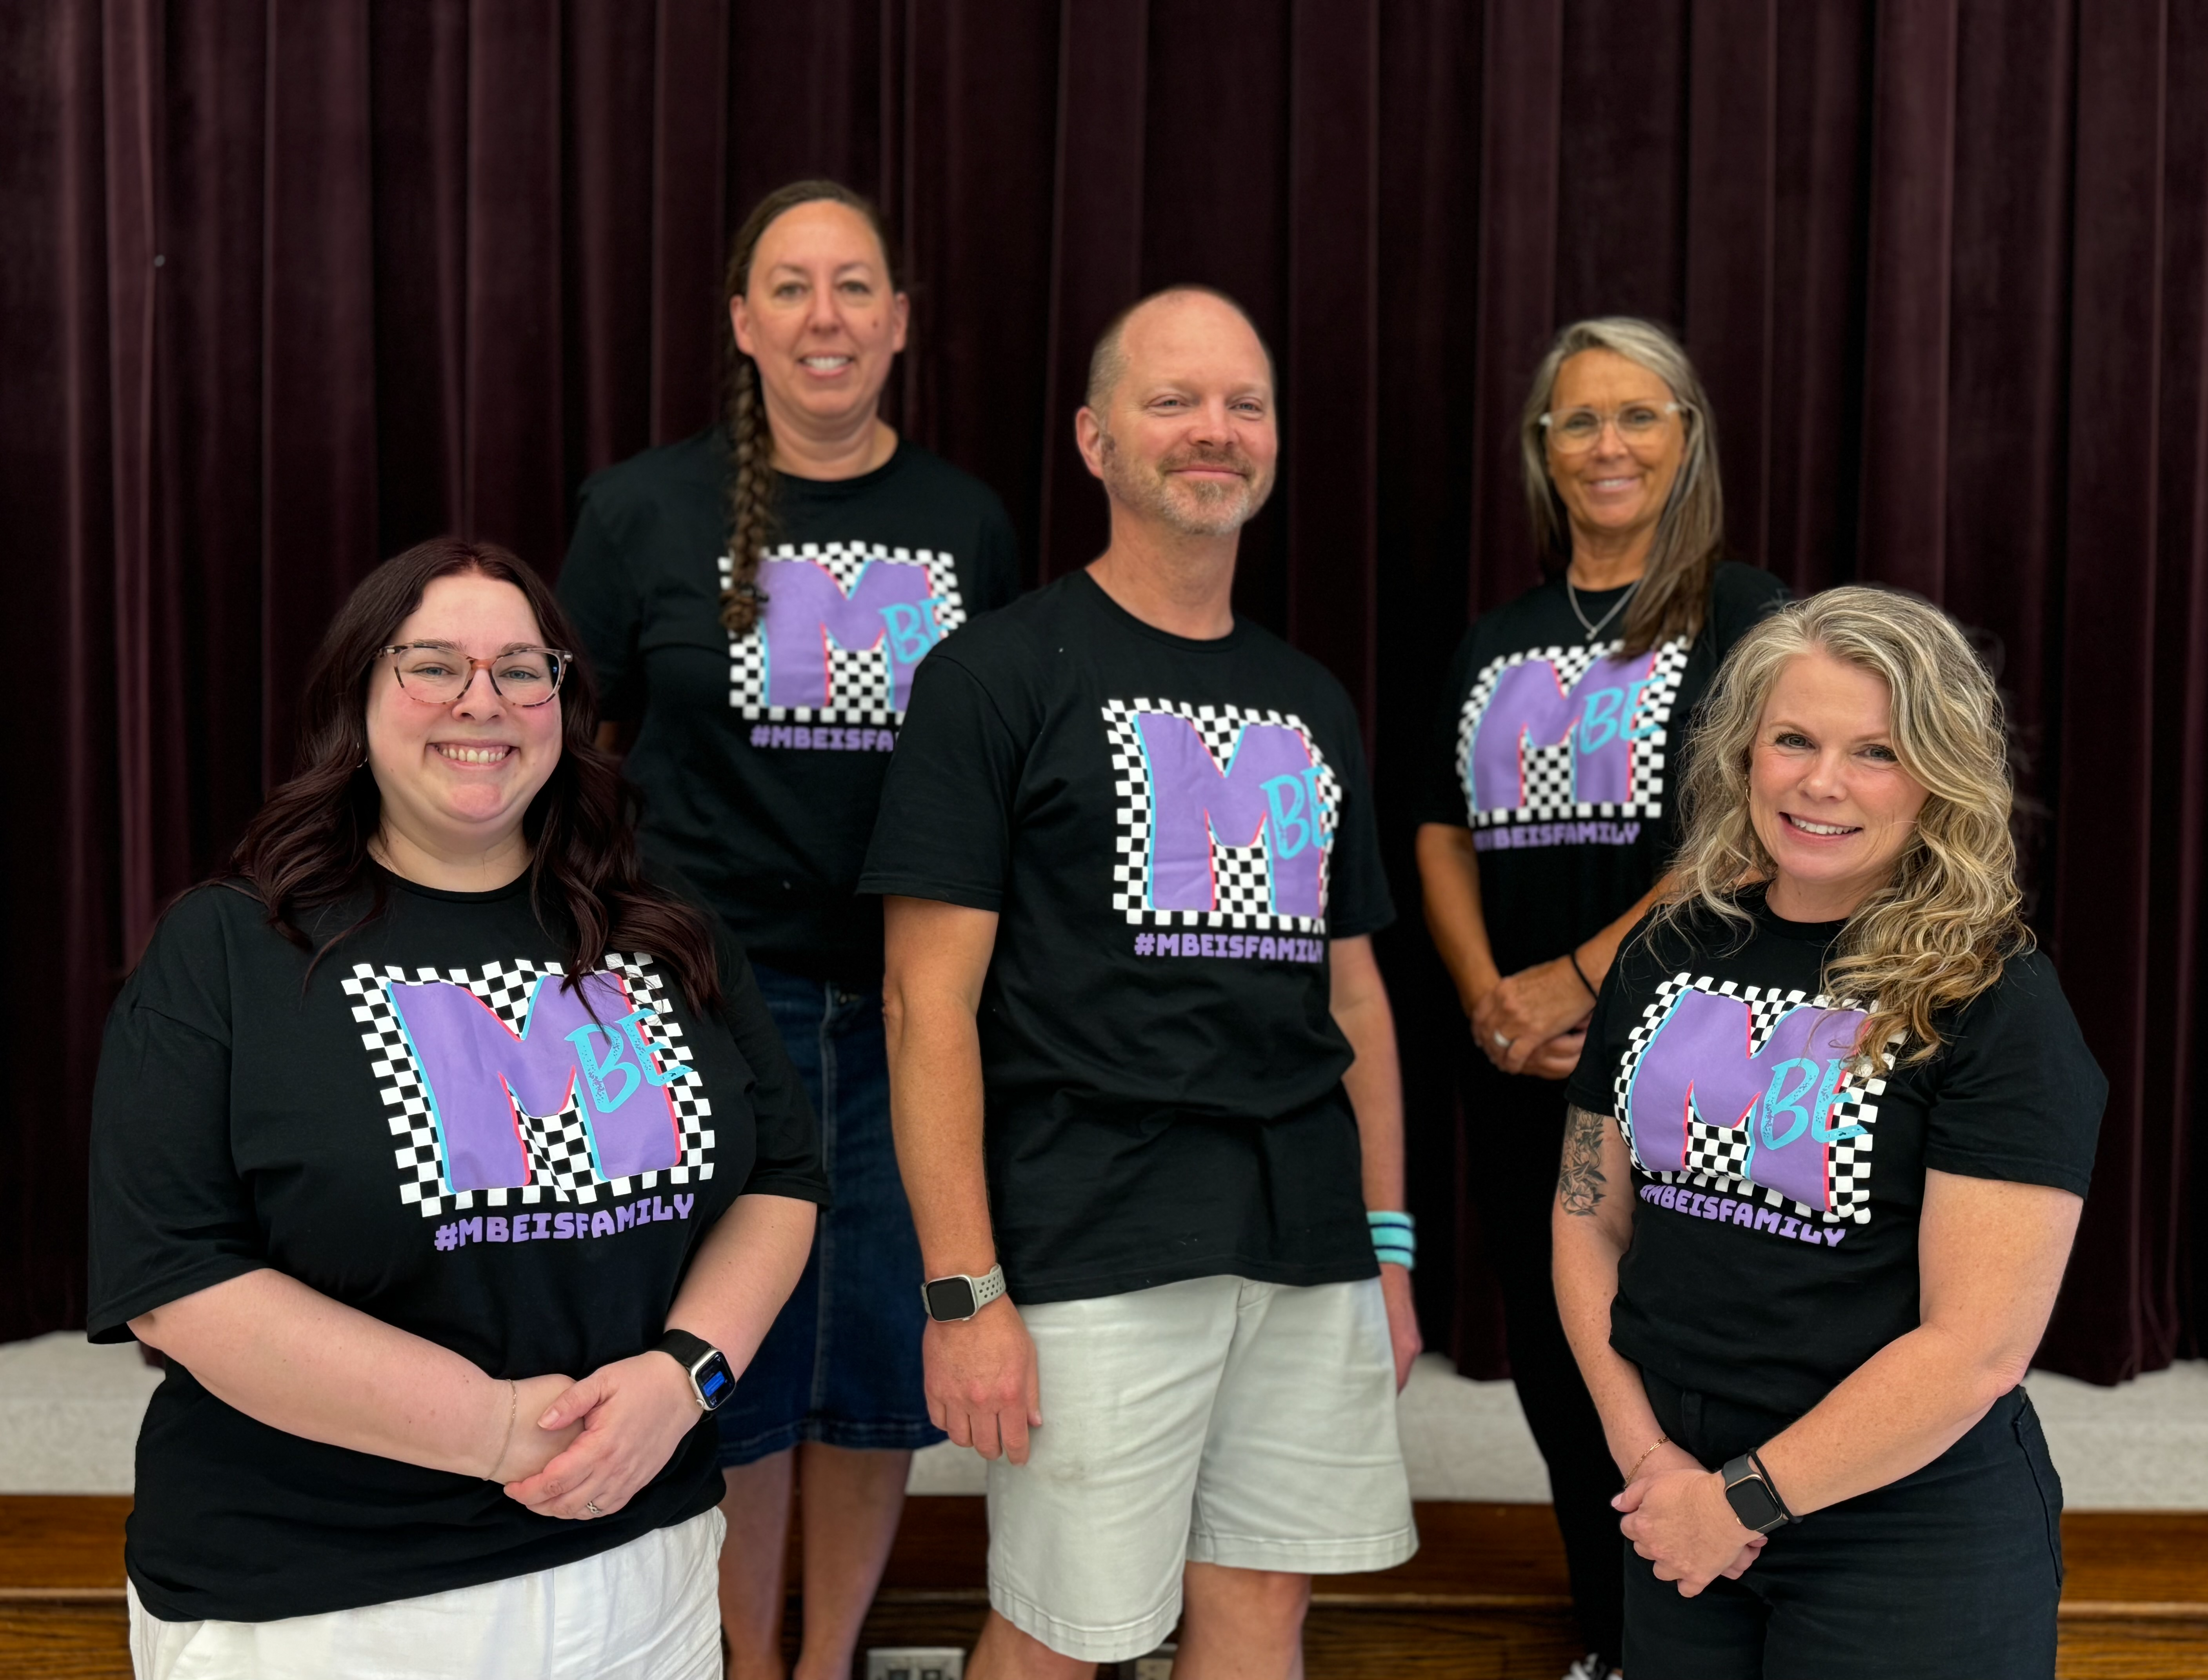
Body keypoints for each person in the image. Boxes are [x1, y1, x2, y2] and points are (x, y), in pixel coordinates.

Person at [87, 538, 827, 1680]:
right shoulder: (229, 948)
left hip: (642, 1567)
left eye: (523, 670)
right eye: (433, 665)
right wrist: (488, 1430)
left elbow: (782, 1175)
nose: (482, 701)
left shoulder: (663, 928)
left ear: (563, 704)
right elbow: (175, 1280)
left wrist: (689, 1375)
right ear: (358, 693)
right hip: (320, 1604)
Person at [862, 285, 1421, 1680]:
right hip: (1091, 1238)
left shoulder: (1312, 697)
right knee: (1064, 1637)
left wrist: (1390, 1249)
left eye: (1243, 402)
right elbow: (924, 1005)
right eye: (1173, 401)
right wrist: (961, 1291)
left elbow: (1352, 1000)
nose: (1213, 431)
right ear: (1096, 438)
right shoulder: (992, 676)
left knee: (1260, 1614)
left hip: (1304, 1239)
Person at [557, 180, 1020, 1678]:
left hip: (910, 1006)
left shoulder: (967, 524)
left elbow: (1006, 775)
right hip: (707, 1005)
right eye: (793, 287)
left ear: (899, 321)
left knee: (877, 1354)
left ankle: (829, 1665)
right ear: (744, 321)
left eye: (856, 287)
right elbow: (578, 752)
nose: (827, 316)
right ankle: (745, 1661)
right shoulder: (641, 512)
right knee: (740, 1356)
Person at [1553, 585, 2104, 1679]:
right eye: (1793, 739)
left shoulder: (1992, 995)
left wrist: (1743, 1497)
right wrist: (1651, 1459)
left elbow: (1976, 1349)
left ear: (1938, 776)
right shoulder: (1664, 950)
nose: (1821, 781)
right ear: (1743, 753)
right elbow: (1586, 1219)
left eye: (1876, 752)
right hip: (1677, 1507)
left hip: (1905, 1532)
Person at [1414, 317, 1786, 1678]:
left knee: (1685, 1346)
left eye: (1640, 416)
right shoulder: (1496, 637)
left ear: (1687, 438)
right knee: (1566, 1358)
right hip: (1519, 1063)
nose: (1609, 444)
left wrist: (1575, 977)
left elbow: (1747, 830)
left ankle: (1708, 1629)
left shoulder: (1749, 614)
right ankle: (1615, 1636)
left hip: (1686, 1059)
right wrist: (1489, 999)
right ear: (1542, 450)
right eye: (1579, 419)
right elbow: (1442, 828)